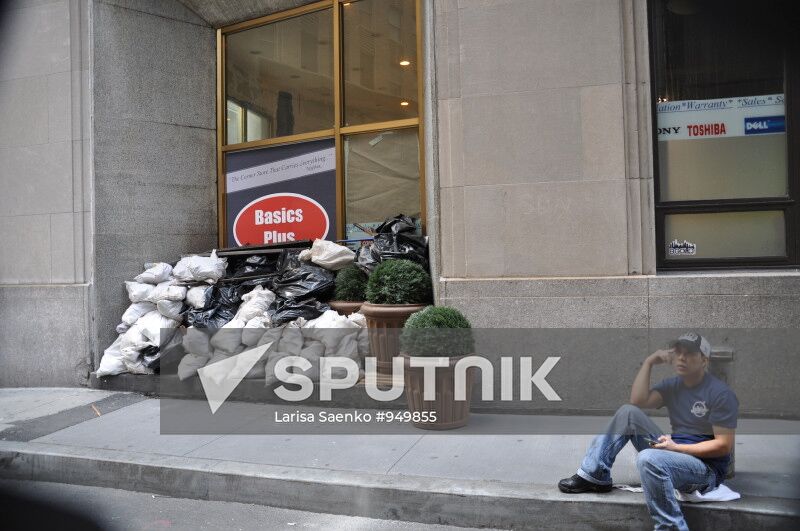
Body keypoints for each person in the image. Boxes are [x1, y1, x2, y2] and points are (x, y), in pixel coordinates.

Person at [557, 332, 738, 531]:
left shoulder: (720, 394)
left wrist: (678, 448)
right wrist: (649, 362)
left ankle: (671, 527)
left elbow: (723, 446)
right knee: (628, 413)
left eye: (689, 354)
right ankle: (595, 476)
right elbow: (639, 401)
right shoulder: (674, 386)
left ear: (704, 360)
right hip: (674, 452)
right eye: (678, 353)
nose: (681, 358)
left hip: (705, 469)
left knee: (648, 459)